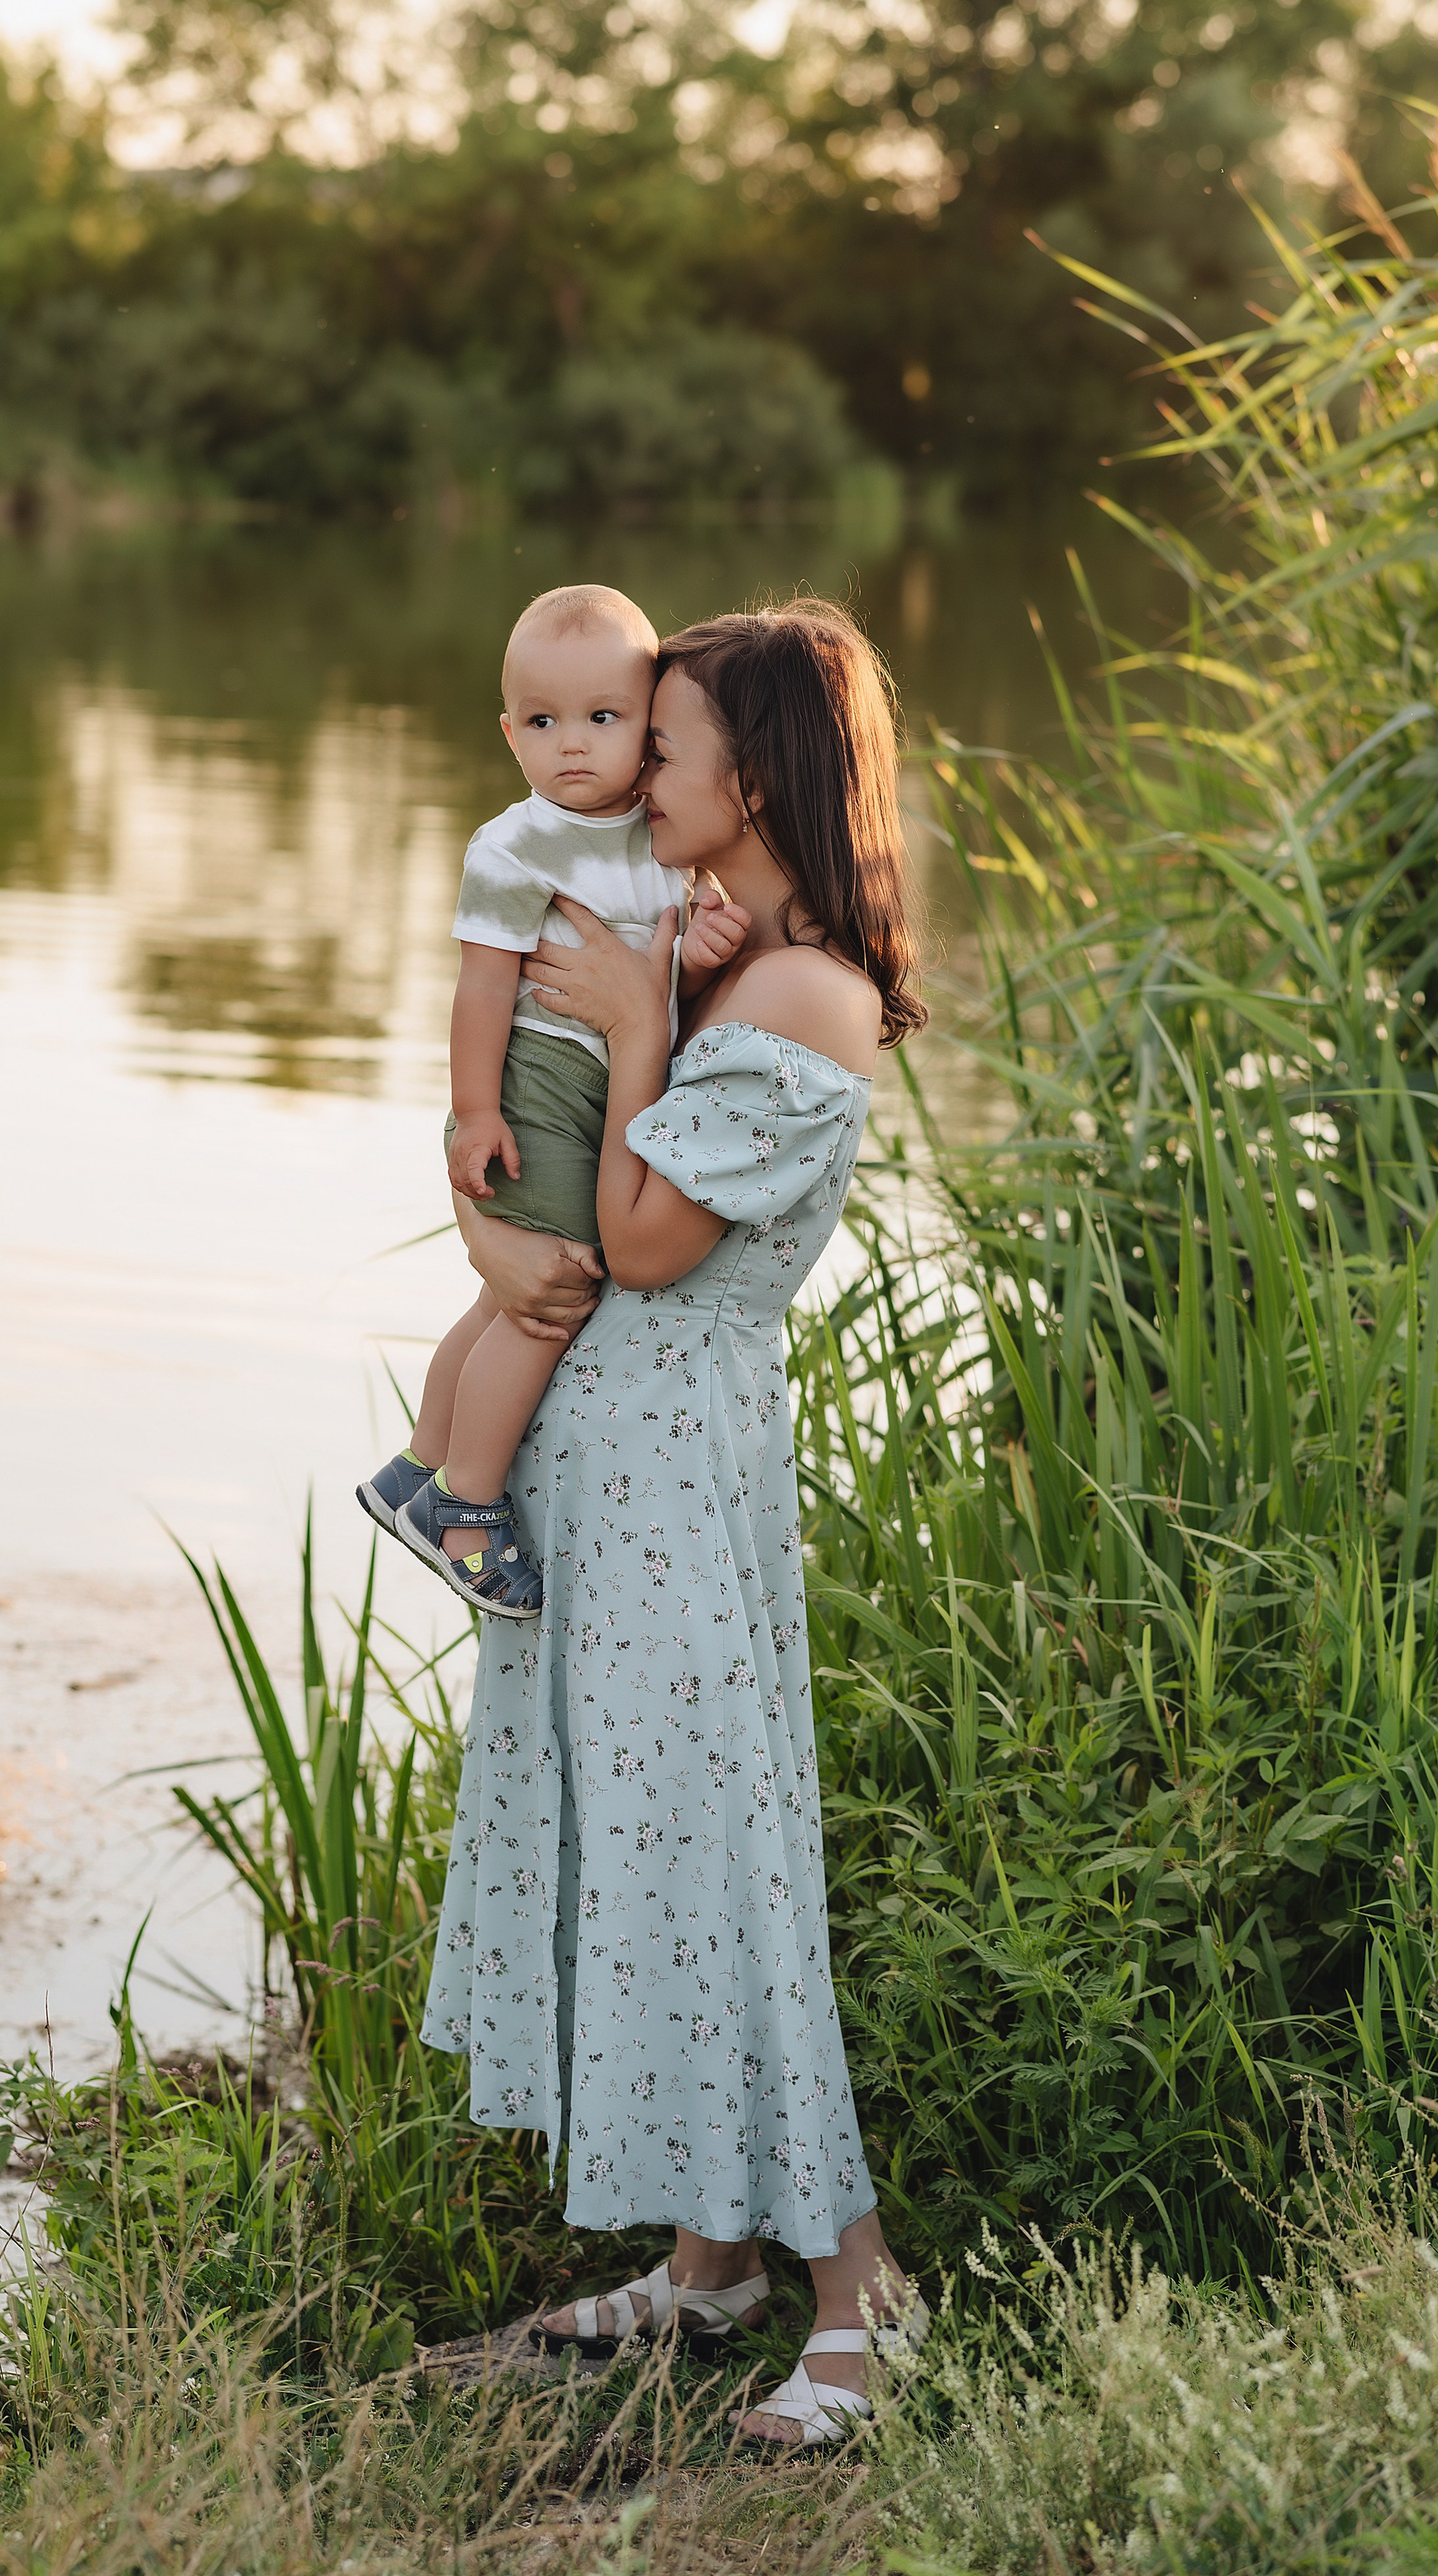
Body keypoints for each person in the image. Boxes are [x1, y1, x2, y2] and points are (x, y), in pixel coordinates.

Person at [422, 598, 929, 2452]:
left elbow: (644, 1242)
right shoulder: (728, 957)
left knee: (718, 1860)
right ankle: (711, 2257)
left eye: (667, 740)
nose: (635, 768)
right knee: (646, 1851)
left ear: (758, 774)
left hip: (675, 1481)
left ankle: (862, 2290)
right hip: (608, 1463)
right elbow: (550, 1152)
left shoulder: (806, 998)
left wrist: (641, 1020)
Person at [358, 584, 750, 1616]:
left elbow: (654, 975)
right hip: (539, 1080)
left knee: (506, 1300)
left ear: (650, 728)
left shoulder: (665, 836)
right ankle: (466, 1507)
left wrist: (701, 951)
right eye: (542, 722)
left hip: (607, 1073)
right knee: (551, 1299)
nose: (572, 744)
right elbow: (484, 988)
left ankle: (419, 1465)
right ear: (508, 733)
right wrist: (477, 1111)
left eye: (603, 718)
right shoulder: (514, 847)